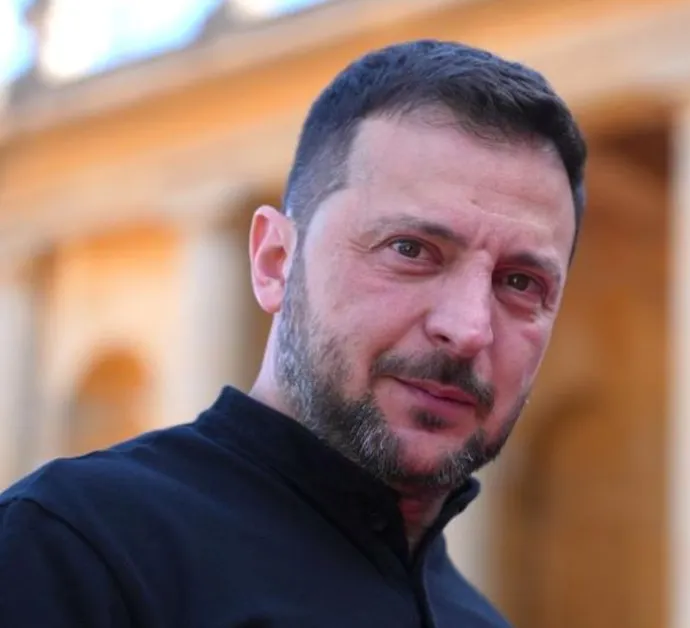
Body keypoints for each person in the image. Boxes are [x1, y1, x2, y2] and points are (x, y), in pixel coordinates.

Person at [0, 39, 586, 627]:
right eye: (410, 250)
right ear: (275, 262)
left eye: (520, 282)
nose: (468, 328)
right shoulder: (70, 550)